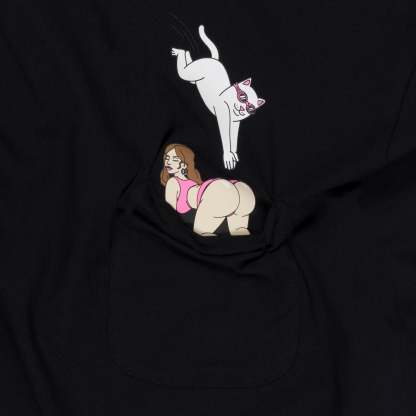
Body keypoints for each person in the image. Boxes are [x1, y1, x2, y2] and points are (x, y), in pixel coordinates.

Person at [160, 143, 256, 236]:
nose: (168, 162)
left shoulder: (176, 181)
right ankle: (239, 229)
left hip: (215, 191)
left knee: (202, 231)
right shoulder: (181, 181)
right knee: (239, 228)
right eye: (167, 158)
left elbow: (168, 213)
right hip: (228, 189)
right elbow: (169, 211)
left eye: (175, 159)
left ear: (184, 164)